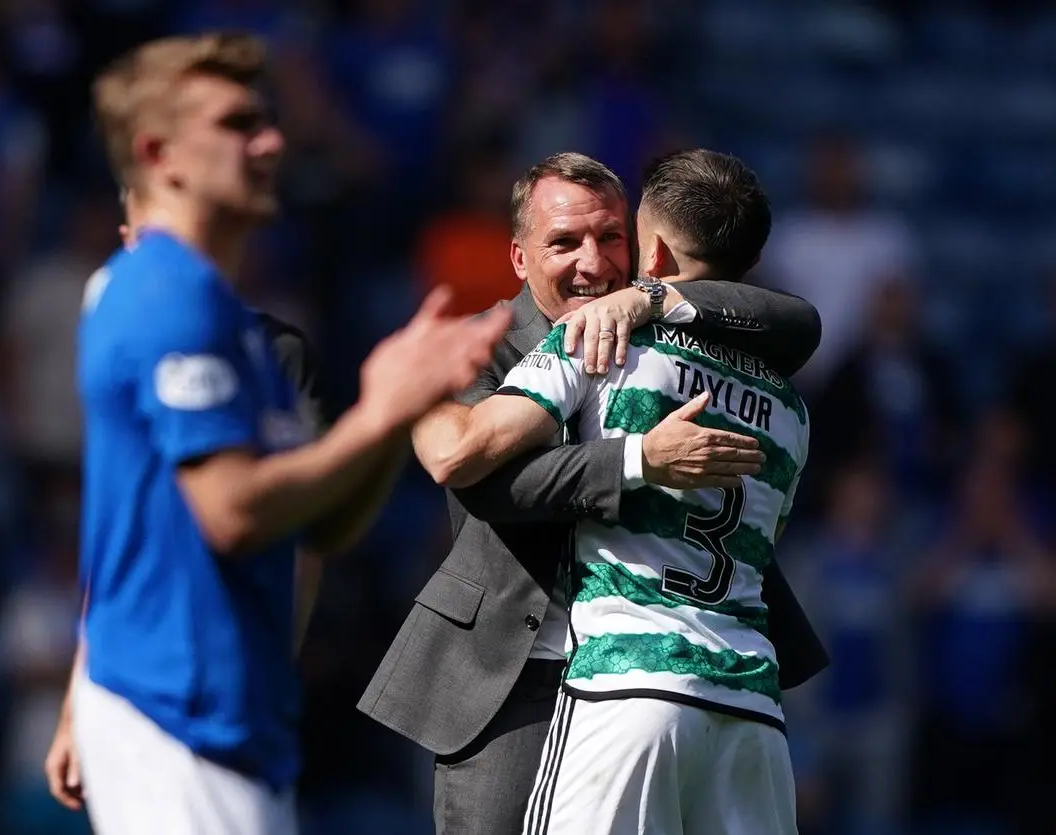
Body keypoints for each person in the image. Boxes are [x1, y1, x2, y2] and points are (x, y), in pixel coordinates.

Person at [68, 33, 509, 835]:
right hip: (175, 710)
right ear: (159, 153)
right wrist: (377, 413)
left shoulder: (242, 329)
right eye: (238, 124)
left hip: (234, 717)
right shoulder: (166, 296)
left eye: (267, 120)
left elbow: (321, 523)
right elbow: (231, 511)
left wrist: (397, 408)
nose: (270, 141)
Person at [359, 152, 826, 835]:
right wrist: (638, 458)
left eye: (610, 236)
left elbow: (797, 319)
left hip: (647, 667)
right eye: (564, 242)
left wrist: (652, 296)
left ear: (645, 247)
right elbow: (474, 474)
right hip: (516, 671)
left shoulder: (658, 324)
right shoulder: (474, 345)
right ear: (518, 259)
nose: (592, 261)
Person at [42, 188, 329, 817]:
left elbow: (300, 540)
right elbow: (117, 542)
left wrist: (271, 666)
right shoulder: (127, 338)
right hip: (139, 685)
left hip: (227, 689)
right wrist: (76, 701)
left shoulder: (274, 354)